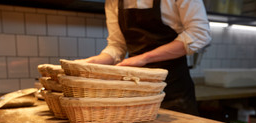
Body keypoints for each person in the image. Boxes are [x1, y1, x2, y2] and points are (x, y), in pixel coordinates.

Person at [82, 0, 211, 115]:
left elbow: (199, 34)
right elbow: (117, 46)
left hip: (174, 90)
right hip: (136, 91)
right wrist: (93, 61)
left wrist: (144, 58)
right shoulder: (113, 2)